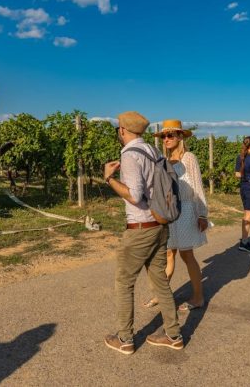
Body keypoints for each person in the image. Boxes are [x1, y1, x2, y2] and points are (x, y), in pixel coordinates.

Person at [103, 111, 183, 355]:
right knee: (160, 281)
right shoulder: (153, 151)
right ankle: (173, 335)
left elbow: (135, 195)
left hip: (140, 228)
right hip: (160, 225)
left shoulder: (129, 154)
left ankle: (125, 338)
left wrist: (109, 179)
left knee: (124, 282)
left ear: (122, 130)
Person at [144, 120, 207, 312]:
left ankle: (198, 297)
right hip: (170, 212)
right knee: (168, 253)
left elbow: (197, 186)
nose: (166, 139)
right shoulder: (163, 159)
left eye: (170, 135)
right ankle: (160, 294)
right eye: (164, 136)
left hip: (186, 210)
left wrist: (202, 213)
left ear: (180, 136)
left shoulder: (189, 158)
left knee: (187, 255)